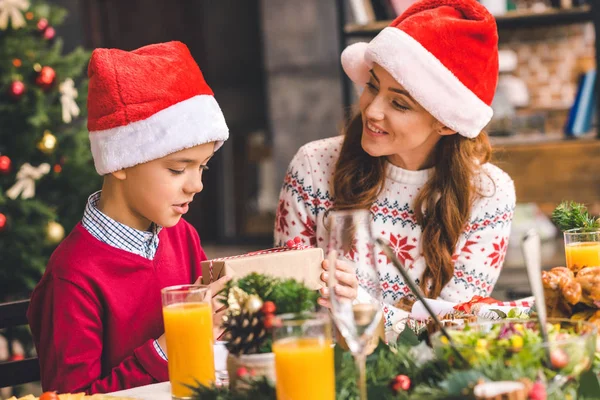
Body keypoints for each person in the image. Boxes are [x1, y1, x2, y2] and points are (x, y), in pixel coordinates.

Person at [274, 0, 516, 336]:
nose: (372, 111)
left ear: (445, 123)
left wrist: (367, 312)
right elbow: (289, 314)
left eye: (399, 103)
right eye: (372, 86)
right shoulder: (314, 168)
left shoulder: (489, 193)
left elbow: (456, 330)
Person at [27, 41, 231, 394]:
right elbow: (69, 397)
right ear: (120, 161)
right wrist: (165, 350)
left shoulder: (183, 237)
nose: (196, 185)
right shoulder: (72, 279)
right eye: (177, 169)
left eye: (203, 167)